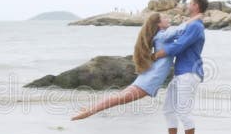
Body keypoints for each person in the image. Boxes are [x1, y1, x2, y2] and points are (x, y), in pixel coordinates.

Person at [70, 11, 201, 121]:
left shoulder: (159, 36)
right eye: (165, 18)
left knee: (119, 97)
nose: (168, 19)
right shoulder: (161, 36)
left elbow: (179, 35)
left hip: (148, 76)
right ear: (159, 24)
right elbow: (178, 31)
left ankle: (89, 109)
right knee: (119, 99)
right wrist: (194, 18)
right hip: (150, 79)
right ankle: (88, 112)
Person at [153, 0, 207, 134]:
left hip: (190, 72)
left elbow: (179, 45)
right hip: (180, 73)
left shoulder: (196, 26)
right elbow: (176, 37)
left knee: (184, 111)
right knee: (168, 108)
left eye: (190, 3)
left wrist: (157, 55)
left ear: (196, 6)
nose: (188, 5)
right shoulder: (191, 24)